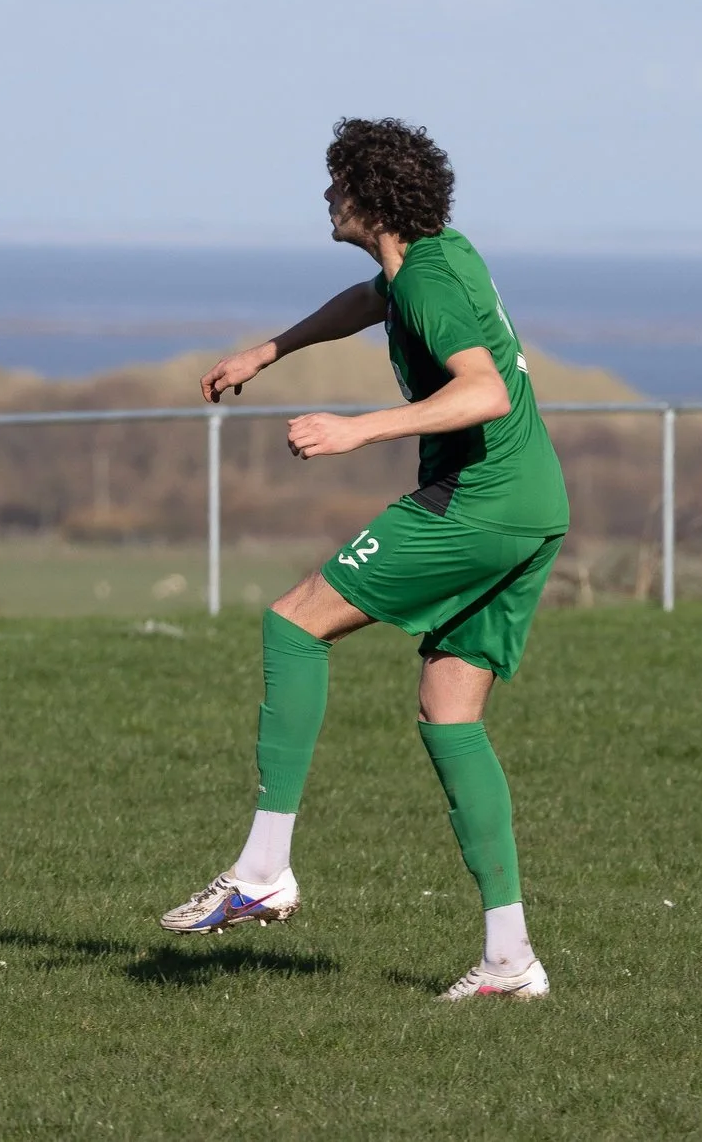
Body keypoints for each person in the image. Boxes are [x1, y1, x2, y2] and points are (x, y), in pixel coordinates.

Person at [160, 117, 571, 1001]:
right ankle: (509, 961)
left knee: (293, 623)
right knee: (450, 715)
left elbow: (484, 390)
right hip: (536, 506)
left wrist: (358, 429)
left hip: (481, 502)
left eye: (336, 182)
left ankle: (264, 869)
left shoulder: (427, 280)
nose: (326, 195)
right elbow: (371, 300)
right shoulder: (432, 258)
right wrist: (269, 350)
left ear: (368, 197)